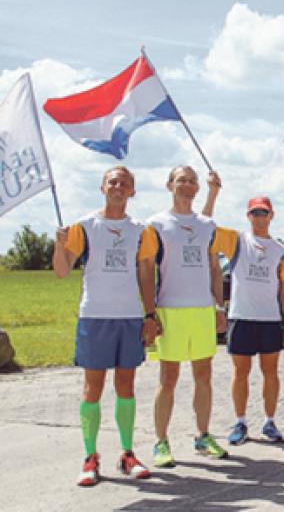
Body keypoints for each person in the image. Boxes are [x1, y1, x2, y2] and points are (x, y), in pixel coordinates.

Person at [53, 166, 158, 486]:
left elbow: (145, 275)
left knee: (125, 387)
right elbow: (61, 271)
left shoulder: (141, 230)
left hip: (128, 317)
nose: (118, 186)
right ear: (102, 188)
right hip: (95, 316)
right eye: (113, 181)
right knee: (92, 388)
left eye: (125, 183)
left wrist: (150, 316)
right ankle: (90, 456)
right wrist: (59, 245)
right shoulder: (84, 227)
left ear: (132, 192)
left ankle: (127, 453)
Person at [149, 166, 229, 467]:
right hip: (170, 309)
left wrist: (219, 307)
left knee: (204, 375)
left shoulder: (207, 224)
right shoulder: (156, 223)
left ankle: (203, 435)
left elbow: (214, 268)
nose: (187, 185)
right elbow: (146, 270)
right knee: (168, 378)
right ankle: (160, 442)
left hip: (202, 309)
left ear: (198, 188)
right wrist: (149, 313)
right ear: (169, 184)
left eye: (192, 181)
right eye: (181, 180)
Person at [218, 196, 284, 446]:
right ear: (248, 216)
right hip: (241, 317)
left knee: (270, 372)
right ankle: (240, 421)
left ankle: (270, 421)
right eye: (255, 213)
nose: (260, 217)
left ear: (272, 216)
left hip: (270, 319)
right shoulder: (236, 241)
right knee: (241, 372)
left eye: (264, 213)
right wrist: (213, 191)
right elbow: (206, 226)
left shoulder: (280, 251)